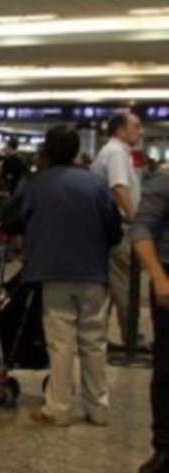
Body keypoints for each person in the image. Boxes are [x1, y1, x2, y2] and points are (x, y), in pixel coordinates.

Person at [20, 126, 123, 427]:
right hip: (93, 271)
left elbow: (13, 219)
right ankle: (98, 409)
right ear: (77, 150)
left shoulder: (37, 183)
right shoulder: (96, 183)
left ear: (47, 150)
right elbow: (114, 230)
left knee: (61, 342)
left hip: (53, 270)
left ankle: (59, 408)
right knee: (94, 341)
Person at [92, 112, 145, 347]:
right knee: (125, 283)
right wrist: (135, 219)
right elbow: (119, 188)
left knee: (113, 283)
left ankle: (99, 336)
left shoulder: (115, 151)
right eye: (136, 126)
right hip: (119, 228)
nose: (140, 131)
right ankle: (132, 338)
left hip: (109, 228)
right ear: (120, 130)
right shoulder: (115, 152)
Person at [132, 168, 169, 473]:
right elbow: (141, 229)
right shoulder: (164, 181)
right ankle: (164, 446)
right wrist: (158, 277)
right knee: (166, 368)